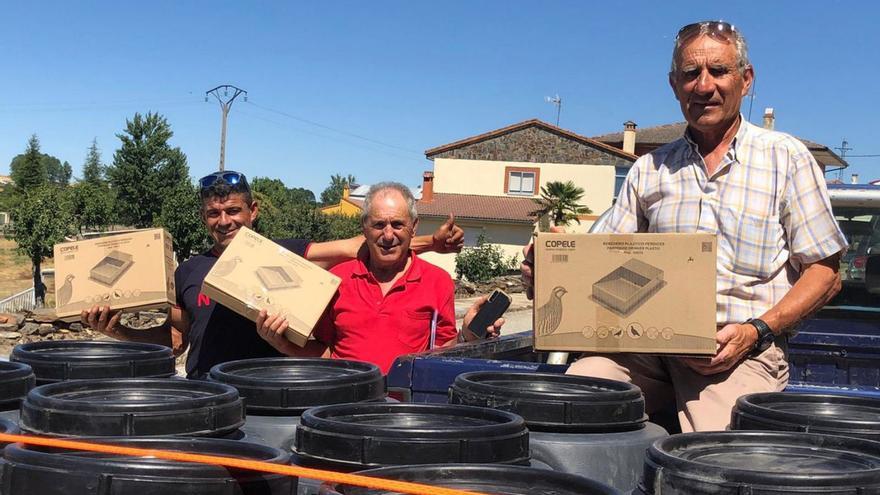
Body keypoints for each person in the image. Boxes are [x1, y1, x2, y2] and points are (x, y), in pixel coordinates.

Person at [521, 21, 846, 431]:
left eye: (719, 71)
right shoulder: (649, 169)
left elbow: (826, 274)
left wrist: (756, 331)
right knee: (574, 403)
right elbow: (597, 261)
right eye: (691, 74)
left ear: (746, 80)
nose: (704, 86)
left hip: (738, 353)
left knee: (711, 455)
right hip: (645, 347)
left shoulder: (787, 158)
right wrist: (548, 270)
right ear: (674, 85)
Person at [82, 170, 465, 379]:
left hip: (265, 390)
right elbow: (178, 338)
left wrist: (431, 242)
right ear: (204, 219)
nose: (224, 221)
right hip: (206, 390)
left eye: (233, 211)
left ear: (253, 212)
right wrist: (115, 329)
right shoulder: (189, 270)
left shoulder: (280, 255)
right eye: (214, 214)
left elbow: (359, 244)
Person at [255, 182, 502, 374]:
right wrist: (282, 344)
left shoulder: (437, 281)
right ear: (364, 228)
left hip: (404, 415)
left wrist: (467, 336)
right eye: (378, 224)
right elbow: (327, 352)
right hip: (344, 408)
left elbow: (441, 356)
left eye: (397, 224)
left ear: (413, 227)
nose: (387, 234)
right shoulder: (337, 280)